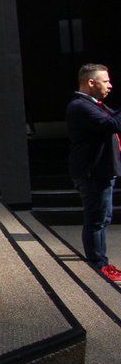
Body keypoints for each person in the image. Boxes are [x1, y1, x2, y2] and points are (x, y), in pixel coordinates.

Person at [65, 63, 121, 282]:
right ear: (91, 82)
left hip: (100, 171)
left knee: (102, 218)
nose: (110, 85)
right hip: (93, 173)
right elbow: (111, 125)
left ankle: (102, 263)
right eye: (105, 81)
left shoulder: (94, 105)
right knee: (97, 219)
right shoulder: (80, 106)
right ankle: (99, 265)